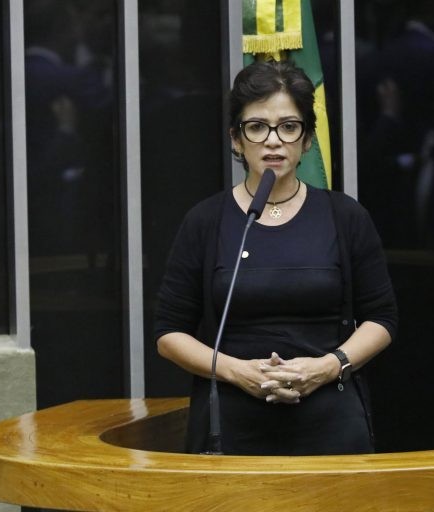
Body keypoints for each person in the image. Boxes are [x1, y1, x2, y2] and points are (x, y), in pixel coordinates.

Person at [154, 60, 398, 456]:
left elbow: (382, 319)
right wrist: (239, 371)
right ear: (236, 139)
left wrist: (326, 366)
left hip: (329, 419)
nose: (273, 141)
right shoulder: (206, 221)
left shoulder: (345, 216)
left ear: (306, 141)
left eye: (288, 126)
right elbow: (168, 334)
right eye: (257, 127)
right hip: (231, 426)